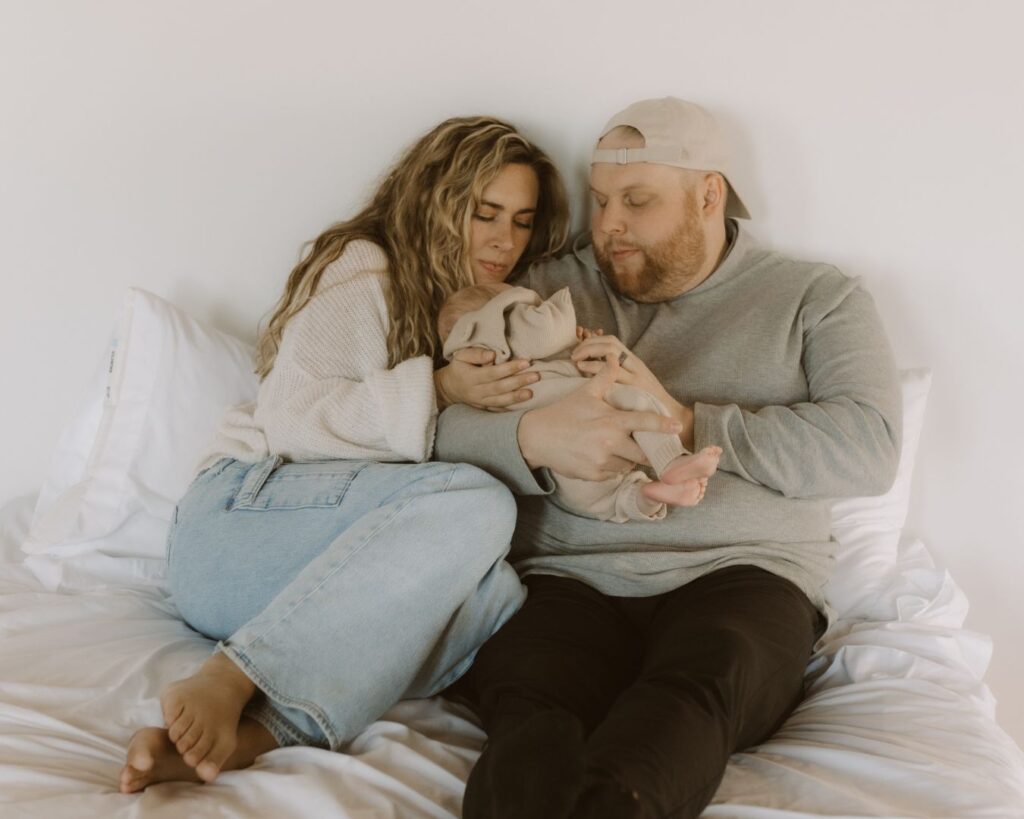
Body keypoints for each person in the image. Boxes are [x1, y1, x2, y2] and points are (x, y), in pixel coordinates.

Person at [436, 98, 903, 819]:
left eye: (637, 200)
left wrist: (685, 421)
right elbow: (441, 432)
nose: (608, 225)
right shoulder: (543, 295)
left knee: (702, 681)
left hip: (741, 576)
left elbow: (868, 448)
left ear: (708, 194)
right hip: (570, 577)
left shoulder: (816, 298)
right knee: (532, 704)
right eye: (599, 201)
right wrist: (531, 439)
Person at [118, 115, 571, 793]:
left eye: (522, 221)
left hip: (303, 581)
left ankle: (256, 733)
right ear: (440, 202)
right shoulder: (368, 264)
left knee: (494, 595)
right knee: (478, 501)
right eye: (486, 214)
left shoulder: (484, 309)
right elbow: (292, 418)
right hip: (236, 526)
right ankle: (231, 674)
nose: (505, 241)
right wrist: (440, 388)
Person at [438, 282, 723, 521]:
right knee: (637, 401)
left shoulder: (480, 379)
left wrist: (578, 348)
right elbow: (544, 332)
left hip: (568, 474)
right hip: (584, 424)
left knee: (605, 499)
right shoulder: (499, 326)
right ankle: (671, 462)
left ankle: (651, 494)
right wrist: (561, 316)